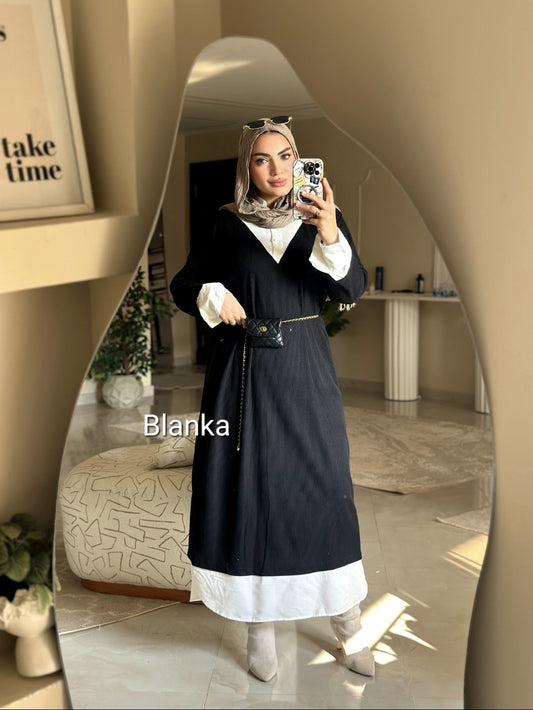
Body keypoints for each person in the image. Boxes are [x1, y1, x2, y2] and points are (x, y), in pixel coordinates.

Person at [170, 116, 374, 682]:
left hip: (305, 370)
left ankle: (348, 621)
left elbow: (351, 287)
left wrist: (330, 231)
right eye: (262, 159)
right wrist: (213, 293)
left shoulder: (321, 217)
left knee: (323, 488)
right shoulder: (226, 223)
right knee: (250, 490)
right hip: (242, 374)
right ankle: (259, 627)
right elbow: (184, 284)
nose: (277, 169)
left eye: (286, 156)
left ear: (299, 160)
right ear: (247, 166)